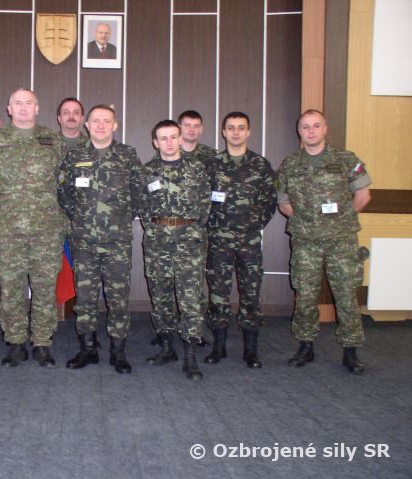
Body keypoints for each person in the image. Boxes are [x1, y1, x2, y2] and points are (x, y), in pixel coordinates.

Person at [0, 88, 65, 368]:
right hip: (8, 229)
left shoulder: (52, 139)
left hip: (45, 229)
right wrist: (6, 199)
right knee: (10, 287)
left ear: (37, 108)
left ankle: (42, 342)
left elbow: (63, 176)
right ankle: (15, 342)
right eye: (18, 103)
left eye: (29, 103)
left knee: (44, 286)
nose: (24, 108)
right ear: (9, 109)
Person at [278, 109, 371, 374]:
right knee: (305, 294)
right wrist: (304, 221)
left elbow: (363, 195)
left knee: (346, 294)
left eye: (316, 125)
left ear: (325, 128)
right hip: (306, 240)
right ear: (299, 131)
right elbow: (283, 201)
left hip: (341, 241)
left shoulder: (346, 159)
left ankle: (351, 349)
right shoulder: (289, 164)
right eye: (305, 126)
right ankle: (305, 345)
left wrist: (342, 222)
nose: (311, 131)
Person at [58, 105, 141, 374]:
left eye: (107, 121)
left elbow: (139, 193)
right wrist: (81, 217)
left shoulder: (127, 155)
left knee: (118, 297)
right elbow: (63, 192)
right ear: (87, 125)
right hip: (84, 241)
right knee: (85, 297)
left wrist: (121, 218)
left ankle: (118, 351)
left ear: (115, 125)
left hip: (117, 241)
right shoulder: (75, 155)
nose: (101, 125)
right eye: (96, 121)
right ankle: (88, 349)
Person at [203, 112, 277, 369]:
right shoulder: (211, 165)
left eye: (241, 127)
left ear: (248, 132)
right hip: (219, 241)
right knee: (218, 294)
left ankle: (251, 351)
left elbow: (271, 199)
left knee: (251, 294)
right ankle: (218, 347)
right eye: (231, 127)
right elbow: (201, 200)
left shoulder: (261, 165)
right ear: (223, 132)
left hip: (249, 242)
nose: (236, 132)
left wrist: (254, 224)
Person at [141, 120, 211, 381]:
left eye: (173, 137)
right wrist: (158, 227)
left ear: (180, 139)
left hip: (189, 242)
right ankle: (167, 348)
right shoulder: (147, 171)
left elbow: (205, 206)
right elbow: (142, 206)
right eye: (163, 138)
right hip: (157, 242)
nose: (169, 142)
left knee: (190, 299)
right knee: (160, 296)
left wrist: (188, 229)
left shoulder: (197, 169)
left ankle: (190, 356)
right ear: (155, 142)